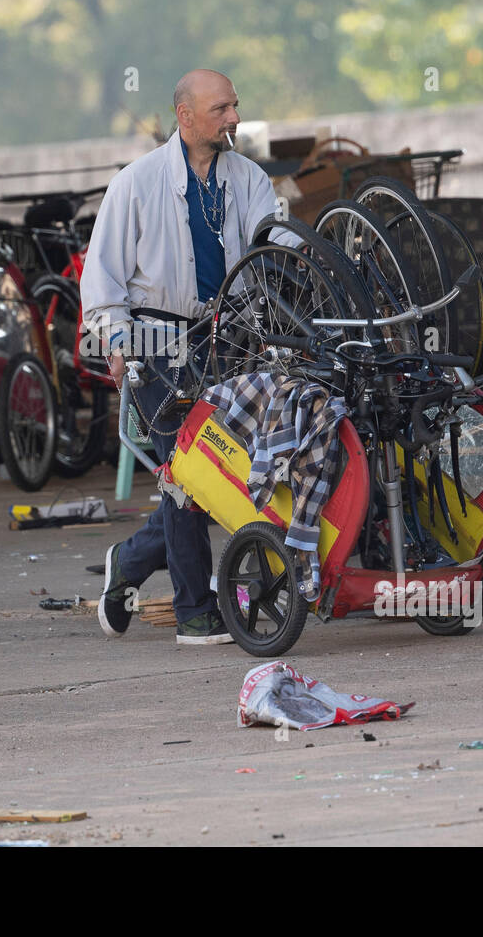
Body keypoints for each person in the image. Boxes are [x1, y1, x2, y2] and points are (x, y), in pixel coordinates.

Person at [80, 68, 289, 645]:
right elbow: (102, 284)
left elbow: (274, 248)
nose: (234, 119)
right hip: (158, 345)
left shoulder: (248, 178)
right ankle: (195, 609)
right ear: (185, 115)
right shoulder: (136, 183)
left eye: (236, 106)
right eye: (221, 108)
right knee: (186, 472)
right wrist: (118, 344)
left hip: (232, 338)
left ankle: (129, 561)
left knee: (224, 472)